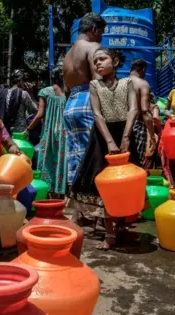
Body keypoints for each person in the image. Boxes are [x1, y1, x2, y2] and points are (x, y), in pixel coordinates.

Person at [70, 48, 139, 251]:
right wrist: (109, 141)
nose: (98, 64)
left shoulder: (128, 84)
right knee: (104, 183)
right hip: (101, 137)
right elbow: (97, 114)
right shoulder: (94, 85)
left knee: (126, 183)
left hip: (125, 132)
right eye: (95, 61)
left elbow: (133, 109)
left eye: (103, 59)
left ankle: (122, 227)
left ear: (115, 61)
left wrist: (126, 137)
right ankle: (109, 233)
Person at [63, 12, 106, 187]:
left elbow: (66, 89)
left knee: (76, 156)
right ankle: (93, 201)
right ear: (94, 29)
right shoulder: (93, 47)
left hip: (71, 105)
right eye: (101, 32)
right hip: (88, 101)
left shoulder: (67, 56)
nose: (101, 37)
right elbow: (98, 83)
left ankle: (76, 201)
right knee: (93, 155)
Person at [26, 67, 68, 196]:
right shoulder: (68, 92)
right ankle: (62, 192)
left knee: (46, 158)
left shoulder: (45, 92)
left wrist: (28, 129)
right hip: (64, 131)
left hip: (49, 131)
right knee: (62, 159)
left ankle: (48, 192)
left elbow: (39, 115)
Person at [0, 69, 37, 134]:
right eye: (24, 80)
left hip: (4, 132)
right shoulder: (24, 94)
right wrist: (31, 94)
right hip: (20, 132)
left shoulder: (0, 93)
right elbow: (34, 110)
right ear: (20, 80)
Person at [129, 58, 156, 165]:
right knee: (136, 162)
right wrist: (152, 136)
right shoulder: (143, 84)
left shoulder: (120, 83)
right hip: (138, 125)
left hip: (123, 125)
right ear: (143, 69)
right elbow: (145, 111)